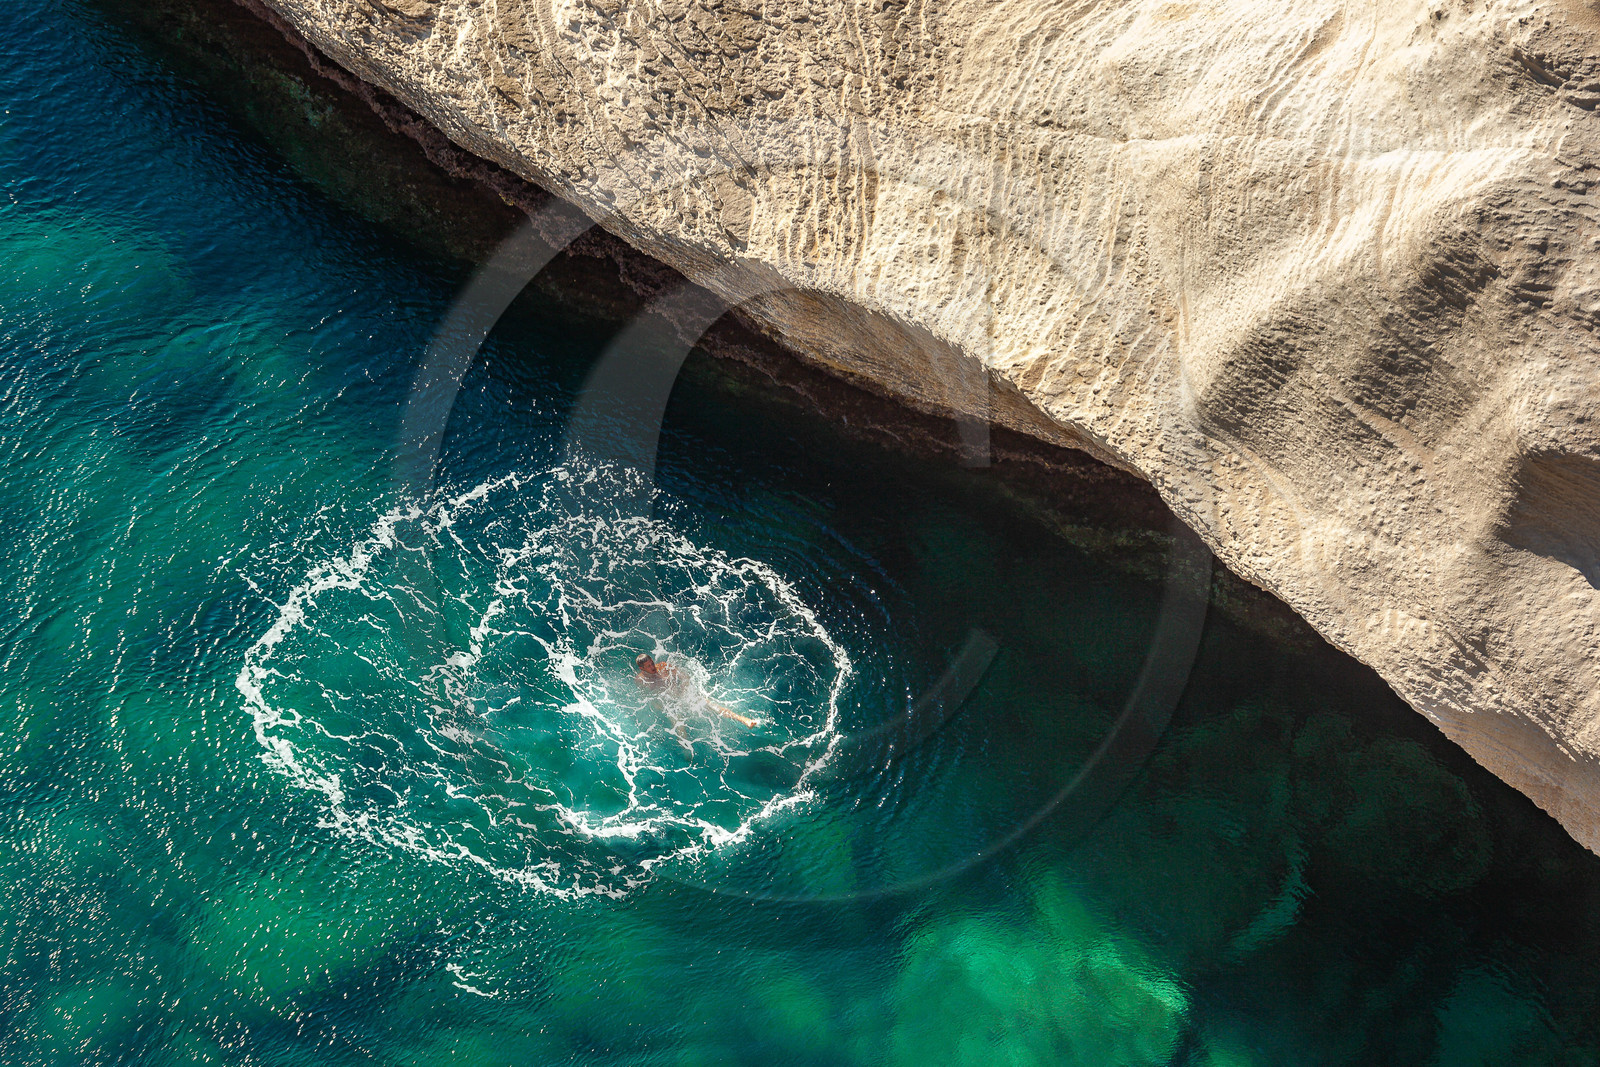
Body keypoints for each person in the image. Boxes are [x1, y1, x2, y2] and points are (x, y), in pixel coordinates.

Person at [634, 653, 761, 748]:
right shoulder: (640, 680)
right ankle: (687, 750)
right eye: (648, 666)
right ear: (642, 668)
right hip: (669, 704)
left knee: (713, 706)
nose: (653, 667)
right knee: (678, 725)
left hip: (682, 696)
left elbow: (685, 677)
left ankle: (745, 721)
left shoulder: (663, 666)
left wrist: (684, 691)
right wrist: (659, 706)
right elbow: (647, 697)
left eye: (651, 663)